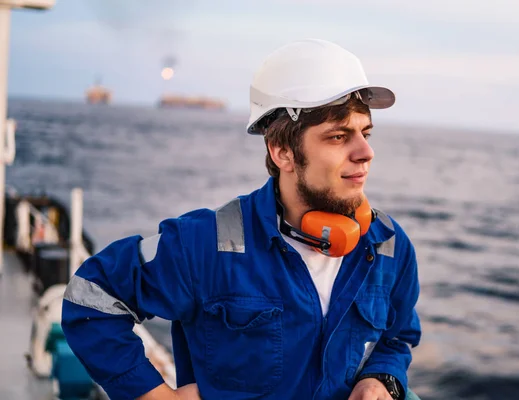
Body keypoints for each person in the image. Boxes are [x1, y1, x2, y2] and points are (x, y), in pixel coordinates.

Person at [62, 38, 422, 400]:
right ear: (283, 152)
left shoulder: (389, 245)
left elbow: (398, 336)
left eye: (366, 132)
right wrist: (154, 396)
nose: (365, 152)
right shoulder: (205, 243)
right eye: (338, 136)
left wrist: (381, 378)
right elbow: (91, 295)